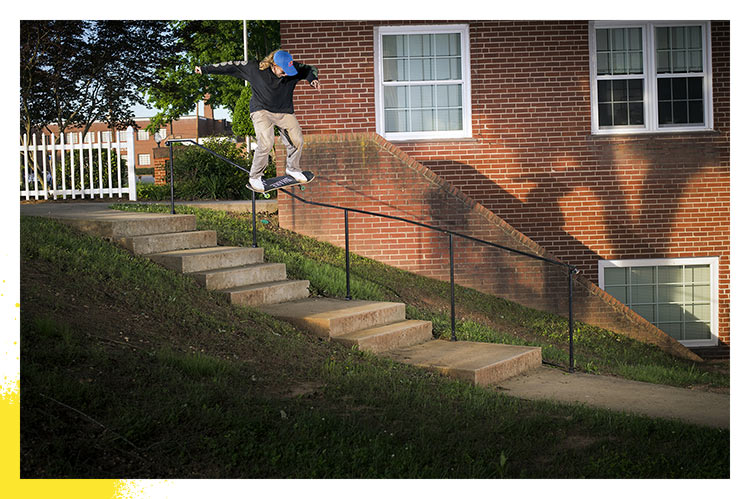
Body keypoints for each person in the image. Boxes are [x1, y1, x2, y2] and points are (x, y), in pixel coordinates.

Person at [196, 50, 320, 192]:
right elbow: (231, 66)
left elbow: (311, 69)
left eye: (288, 71)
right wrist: (205, 69)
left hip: (284, 110)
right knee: (266, 142)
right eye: (283, 71)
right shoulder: (254, 69)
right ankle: (255, 177)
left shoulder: (294, 69)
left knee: (297, 140)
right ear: (273, 65)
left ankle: (292, 168)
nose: (286, 74)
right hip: (261, 110)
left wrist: (313, 79)